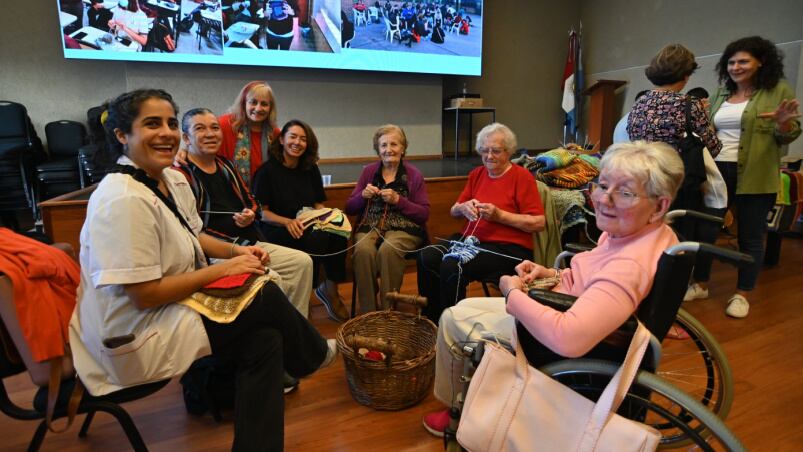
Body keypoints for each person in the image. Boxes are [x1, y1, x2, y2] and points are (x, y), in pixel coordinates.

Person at [69, 89, 336, 452]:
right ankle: (314, 355)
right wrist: (225, 269)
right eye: (151, 124)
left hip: (174, 305)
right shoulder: (121, 199)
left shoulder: (171, 180)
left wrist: (236, 250)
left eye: (168, 123)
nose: (166, 132)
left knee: (266, 339)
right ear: (121, 135)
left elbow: (194, 235)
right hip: (134, 334)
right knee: (265, 293)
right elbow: (145, 295)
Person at [422, 141, 684, 436]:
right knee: (461, 307)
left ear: (660, 205)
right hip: (564, 302)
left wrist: (511, 293)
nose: (603, 200)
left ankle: (459, 409)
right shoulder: (638, 233)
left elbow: (568, 338)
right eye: (602, 185)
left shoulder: (628, 266)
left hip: (565, 338)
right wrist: (552, 273)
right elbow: (590, 277)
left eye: (625, 193)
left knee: (453, 320)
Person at [173, 108, 314, 320]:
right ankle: (283, 332)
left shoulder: (226, 165)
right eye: (200, 129)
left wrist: (250, 213)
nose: (210, 134)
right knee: (272, 278)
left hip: (250, 242)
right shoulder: (180, 174)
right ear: (186, 138)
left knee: (302, 262)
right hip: (216, 253)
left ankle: (298, 327)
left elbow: (253, 202)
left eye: (214, 128)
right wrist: (239, 249)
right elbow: (191, 231)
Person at [709, 36, 801, 318]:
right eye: (732, 62)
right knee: (707, 229)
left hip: (754, 173)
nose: (736, 67)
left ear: (761, 62)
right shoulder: (721, 94)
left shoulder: (778, 91)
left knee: (750, 235)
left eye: (743, 61)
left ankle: (742, 293)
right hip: (716, 171)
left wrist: (783, 122)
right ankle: (699, 283)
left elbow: (789, 133)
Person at [417, 123, 545, 322]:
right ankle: (432, 319)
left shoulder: (522, 177)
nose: (489, 156)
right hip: (471, 241)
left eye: (495, 151)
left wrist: (500, 216)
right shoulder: (477, 174)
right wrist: (462, 208)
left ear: (509, 151)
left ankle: (453, 325)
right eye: (484, 150)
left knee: (453, 264)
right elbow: (454, 209)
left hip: (507, 249)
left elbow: (538, 223)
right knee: (427, 257)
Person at [252, 119, 350, 322]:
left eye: (303, 139)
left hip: (306, 223)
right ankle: (305, 298)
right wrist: (288, 222)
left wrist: (329, 218)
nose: (297, 142)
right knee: (317, 239)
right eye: (293, 137)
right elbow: (263, 214)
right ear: (281, 140)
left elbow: (317, 204)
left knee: (338, 233)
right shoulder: (266, 171)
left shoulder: (310, 168)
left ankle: (331, 289)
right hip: (276, 227)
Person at [627, 43, 722, 243]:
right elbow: (713, 146)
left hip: (645, 180)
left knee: (648, 235)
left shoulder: (639, 103)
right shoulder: (689, 104)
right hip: (678, 185)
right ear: (686, 75)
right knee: (678, 238)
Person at [345, 125, 430, 314]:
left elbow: (424, 214)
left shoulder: (414, 175)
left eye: (394, 144)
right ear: (378, 149)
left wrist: (399, 200)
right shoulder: (368, 172)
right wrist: (363, 196)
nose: (388, 149)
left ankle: (387, 310)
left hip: (405, 228)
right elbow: (349, 207)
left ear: (403, 148)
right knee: (363, 250)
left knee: (388, 250)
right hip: (370, 226)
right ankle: (369, 313)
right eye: (383, 145)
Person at [176, 81, 280, 185]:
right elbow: (199, 144)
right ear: (244, 103)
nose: (258, 108)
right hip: (228, 189)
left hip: (262, 192)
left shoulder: (274, 132)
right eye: (253, 102)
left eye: (264, 104)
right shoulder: (224, 124)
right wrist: (184, 151)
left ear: (271, 107)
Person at [683, 87, 728, 303]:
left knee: (704, 234)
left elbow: (713, 150)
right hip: (694, 188)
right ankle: (688, 281)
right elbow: (715, 147)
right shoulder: (687, 125)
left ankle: (699, 283)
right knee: (690, 235)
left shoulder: (694, 132)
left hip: (706, 188)